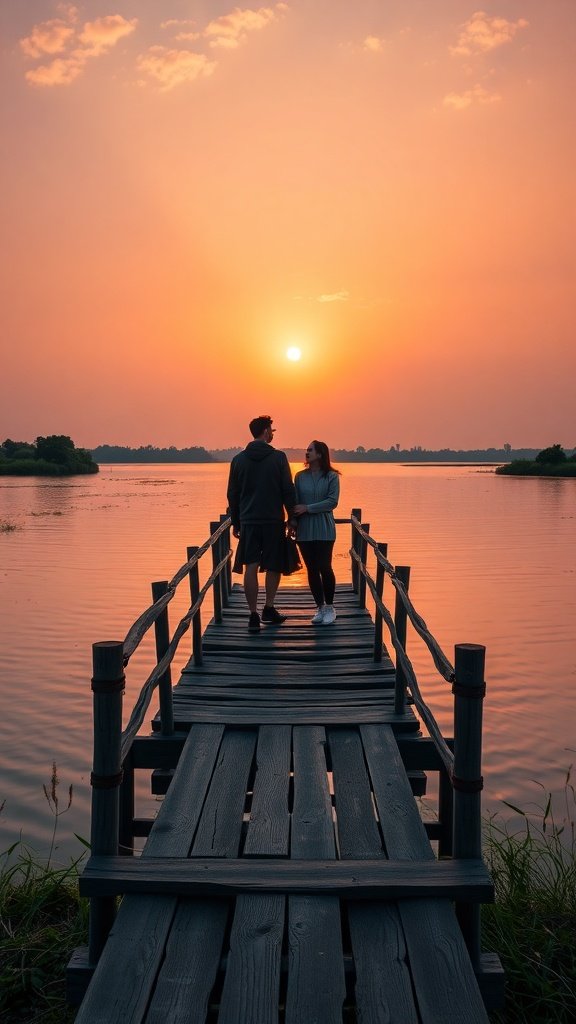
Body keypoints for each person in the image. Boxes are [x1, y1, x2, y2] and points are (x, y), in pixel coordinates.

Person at [227, 415, 296, 631]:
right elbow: (288, 490)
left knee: (251, 566)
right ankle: (269, 607)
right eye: (272, 430)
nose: (273, 434)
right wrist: (292, 517)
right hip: (273, 520)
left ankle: (253, 614)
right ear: (266, 432)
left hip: (248, 520)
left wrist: (236, 522)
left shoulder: (238, 460)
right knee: (274, 564)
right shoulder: (279, 458)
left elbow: (233, 494)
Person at [293, 440, 340, 624]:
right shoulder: (299, 476)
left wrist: (308, 508)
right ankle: (319, 607)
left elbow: (332, 502)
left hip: (324, 528)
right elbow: (295, 503)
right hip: (304, 530)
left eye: (310, 450)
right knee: (311, 569)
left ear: (320, 454)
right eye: (306, 449)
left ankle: (330, 607)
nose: (307, 452)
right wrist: (293, 520)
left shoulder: (331, 477)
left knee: (325, 566)